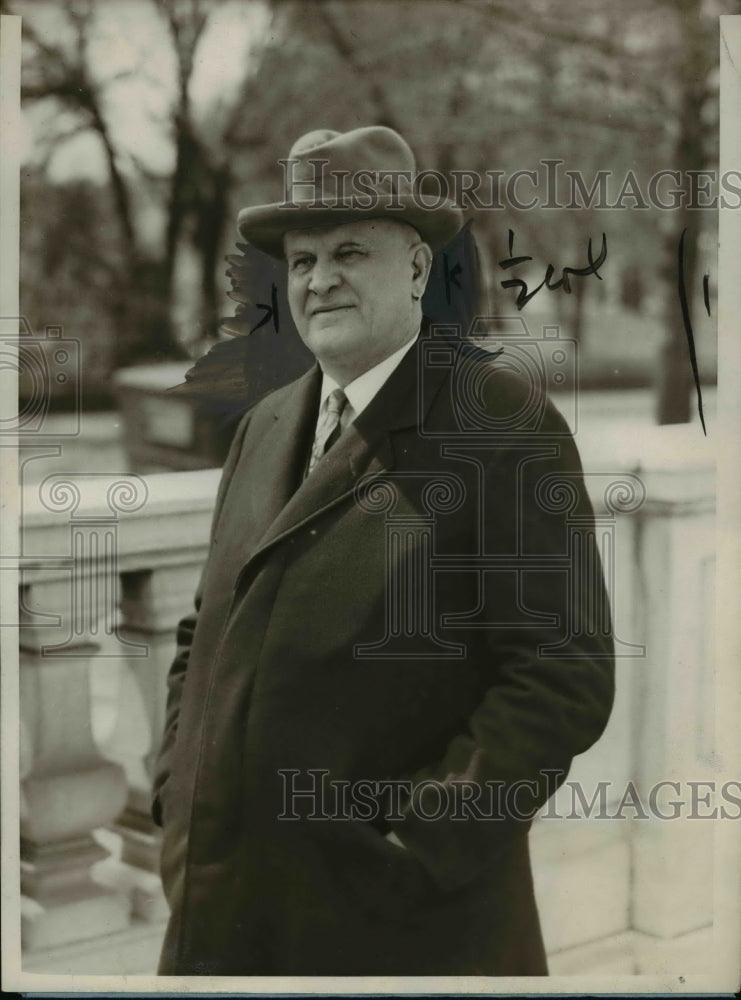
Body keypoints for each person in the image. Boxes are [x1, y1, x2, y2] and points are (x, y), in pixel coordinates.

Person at [152, 126, 615, 977]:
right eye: (300, 261)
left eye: (348, 251)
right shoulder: (262, 426)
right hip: (222, 912)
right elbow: (201, 632)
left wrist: (415, 842)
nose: (319, 279)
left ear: (413, 267)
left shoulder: (501, 423)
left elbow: (562, 674)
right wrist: (174, 787)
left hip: (396, 926)